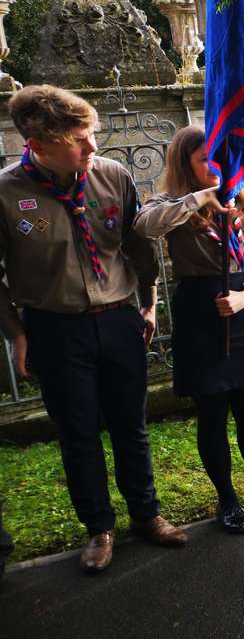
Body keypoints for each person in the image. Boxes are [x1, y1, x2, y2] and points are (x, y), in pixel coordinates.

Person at [2, 85, 186, 573]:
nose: (92, 148)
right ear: (38, 145)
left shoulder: (112, 176)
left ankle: (147, 514)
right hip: (55, 330)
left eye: (92, 136)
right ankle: (99, 529)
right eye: (80, 140)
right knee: (78, 433)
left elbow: (137, 245)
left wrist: (147, 303)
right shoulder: (6, 193)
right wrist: (18, 334)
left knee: (132, 425)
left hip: (120, 319)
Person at [135, 126, 244, 534]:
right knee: (213, 416)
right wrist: (201, 198)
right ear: (186, 164)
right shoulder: (171, 203)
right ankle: (227, 498)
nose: (217, 166)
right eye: (205, 159)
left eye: (221, 157)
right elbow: (145, 227)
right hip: (201, 316)